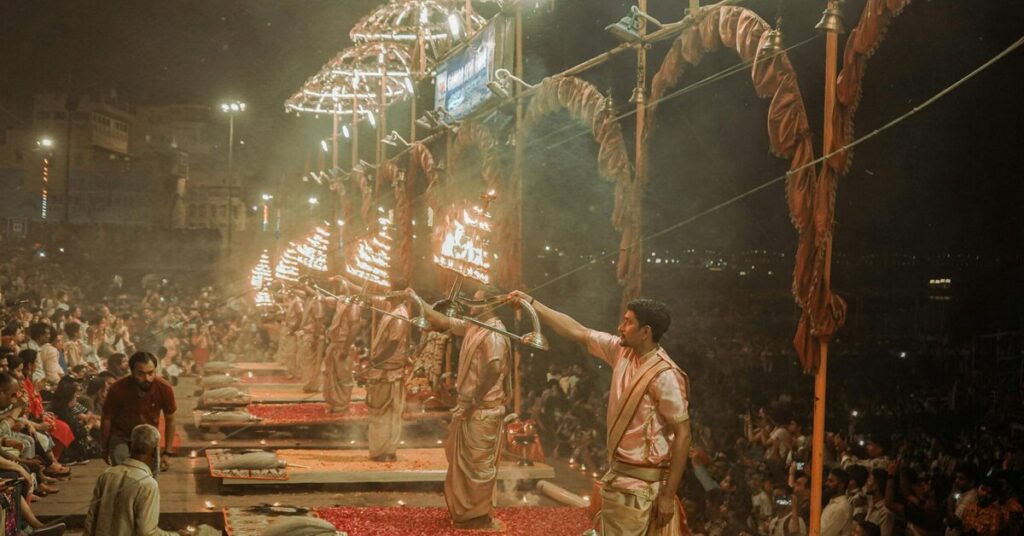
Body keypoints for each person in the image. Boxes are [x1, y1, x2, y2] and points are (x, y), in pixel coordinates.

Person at [509, 291, 690, 535]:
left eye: (627, 322)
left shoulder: (666, 375)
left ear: (645, 332)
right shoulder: (621, 351)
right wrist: (532, 303)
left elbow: (683, 435)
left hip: (644, 490)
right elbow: (577, 331)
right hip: (617, 480)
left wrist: (668, 496)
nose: (620, 327)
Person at [416, 286, 512, 530]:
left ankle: (476, 517)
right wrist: (416, 299)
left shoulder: (493, 333)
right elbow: (444, 320)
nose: (470, 307)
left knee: (477, 466)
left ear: (489, 305)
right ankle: (466, 513)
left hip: (482, 411)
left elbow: (494, 367)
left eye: (475, 303)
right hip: (470, 409)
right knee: (464, 464)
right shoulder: (474, 325)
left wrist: (475, 400)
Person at [83, 424, 183, 536]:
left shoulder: (106, 475)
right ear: (155, 452)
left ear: (130, 446)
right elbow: (147, 532)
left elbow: (90, 520)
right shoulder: (148, 485)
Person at [101, 352, 176, 473]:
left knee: (148, 477)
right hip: (122, 436)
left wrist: (167, 452)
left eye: (150, 373)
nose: (146, 378)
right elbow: (107, 418)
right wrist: (105, 447)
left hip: (147, 439)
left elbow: (170, 420)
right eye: (141, 374)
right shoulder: (117, 388)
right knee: (125, 474)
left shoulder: (164, 388)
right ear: (132, 372)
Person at [364, 284, 411, 462]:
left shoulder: (399, 316)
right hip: (384, 370)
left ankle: (385, 451)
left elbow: (393, 344)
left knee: (384, 414)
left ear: (398, 296)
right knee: (383, 414)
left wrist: (376, 361)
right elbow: (370, 298)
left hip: (388, 371)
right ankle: (384, 450)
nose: (386, 294)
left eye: (390, 292)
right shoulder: (391, 309)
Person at [322, 285, 362, 413]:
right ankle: (335, 403)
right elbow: (323, 298)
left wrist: (345, 348)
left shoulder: (354, 305)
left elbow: (355, 326)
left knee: (342, 376)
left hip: (344, 345)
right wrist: (311, 287)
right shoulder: (341, 301)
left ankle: (342, 405)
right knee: (331, 374)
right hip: (334, 344)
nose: (342, 288)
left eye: (345, 285)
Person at [822, 467, 854, 536]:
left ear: (841, 486)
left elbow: (827, 534)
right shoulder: (833, 503)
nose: (826, 483)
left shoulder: (842, 506)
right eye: (827, 480)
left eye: (831, 481)